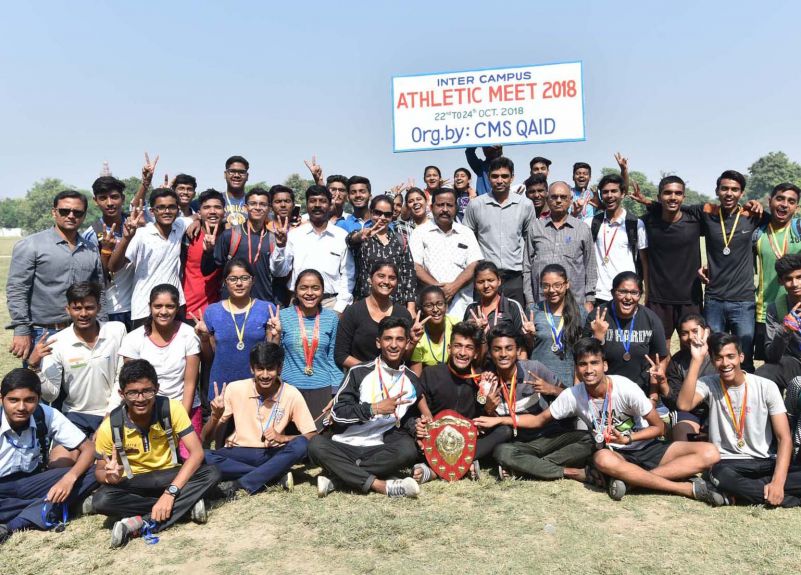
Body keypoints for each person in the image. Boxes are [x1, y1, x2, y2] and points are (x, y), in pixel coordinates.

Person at [477, 338, 720, 499]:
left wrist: (629, 437)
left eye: (594, 363)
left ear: (605, 365)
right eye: (583, 365)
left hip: (644, 445)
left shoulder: (626, 388)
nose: (589, 369)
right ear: (577, 369)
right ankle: (683, 489)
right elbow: (539, 420)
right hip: (615, 455)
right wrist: (501, 420)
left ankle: (635, 481)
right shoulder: (574, 394)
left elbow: (658, 428)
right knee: (602, 458)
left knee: (711, 453)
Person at [633, 170, 767, 372]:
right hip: (713, 299)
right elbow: (674, 207)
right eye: (724, 189)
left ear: (742, 193)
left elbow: (778, 221)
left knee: (744, 357)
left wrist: (758, 204)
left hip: (743, 300)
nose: (729, 193)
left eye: (734, 189)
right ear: (717, 191)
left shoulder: (753, 215)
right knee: (713, 356)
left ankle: (746, 400)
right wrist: (648, 202)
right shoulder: (706, 213)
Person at [92, 360, 221, 547]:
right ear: (122, 394)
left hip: (169, 476)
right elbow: (99, 471)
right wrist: (110, 477)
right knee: (101, 500)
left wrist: (171, 492)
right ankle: (186, 507)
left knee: (212, 472)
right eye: (132, 392)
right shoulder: (110, 425)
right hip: (133, 480)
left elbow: (197, 453)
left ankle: (141, 522)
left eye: (147, 391)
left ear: (157, 389)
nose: (141, 398)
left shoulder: (171, 409)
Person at [679, 332, 801, 507]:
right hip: (728, 462)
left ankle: (743, 495)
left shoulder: (766, 386)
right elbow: (684, 405)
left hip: (766, 460)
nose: (725, 363)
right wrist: (696, 360)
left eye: (730, 356)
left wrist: (778, 483)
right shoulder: (708, 383)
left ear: (741, 357)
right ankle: (789, 499)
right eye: (719, 358)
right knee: (723, 477)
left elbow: (784, 438)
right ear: (713, 361)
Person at [308, 317, 422, 498]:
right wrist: (373, 409)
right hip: (344, 445)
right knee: (316, 445)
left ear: (407, 343)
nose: (393, 345)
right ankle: (381, 485)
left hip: (378, 447)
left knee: (408, 450)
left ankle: (338, 478)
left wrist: (416, 425)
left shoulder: (412, 380)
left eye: (399, 339)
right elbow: (338, 412)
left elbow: (406, 417)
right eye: (388, 339)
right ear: (378, 342)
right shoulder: (359, 372)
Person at [203, 342, 317, 495]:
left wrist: (282, 438)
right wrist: (215, 416)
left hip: (273, 453)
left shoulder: (291, 393)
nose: (264, 375)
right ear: (252, 368)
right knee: (202, 456)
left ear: (279, 369)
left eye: (270, 369)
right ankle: (272, 475)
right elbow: (204, 438)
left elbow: (311, 435)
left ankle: (242, 483)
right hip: (239, 452)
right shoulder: (235, 388)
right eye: (259, 369)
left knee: (301, 444)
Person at [7, 190, 106, 363]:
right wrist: (21, 330)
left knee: (78, 388)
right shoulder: (31, 245)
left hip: (81, 332)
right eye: (64, 211)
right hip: (43, 333)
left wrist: (102, 327)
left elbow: (99, 291)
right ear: (54, 212)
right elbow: (17, 289)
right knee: (42, 387)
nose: (71, 216)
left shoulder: (91, 249)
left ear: (84, 215)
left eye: (77, 212)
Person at [0, 369, 97, 543]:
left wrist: (69, 478)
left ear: (38, 399)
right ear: (1, 399)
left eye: (29, 400)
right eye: (13, 400)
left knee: (94, 472)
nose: (21, 407)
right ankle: (46, 508)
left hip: (31, 481)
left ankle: (13, 522)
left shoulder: (45, 414)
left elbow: (88, 448)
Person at [30, 282, 127, 456]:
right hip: (74, 416)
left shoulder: (116, 331)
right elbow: (51, 394)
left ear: (98, 307)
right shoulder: (57, 342)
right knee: (59, 465)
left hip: (111, 413)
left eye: (89, 307)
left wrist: (109, 417)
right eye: (77, 308)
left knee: (105, 465)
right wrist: (35, 367)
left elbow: (121, 378)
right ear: (68, 310)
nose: (83, 314)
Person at [412, 322, 510, 482]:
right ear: (450, 348)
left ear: (476, 353)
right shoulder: (431, 373)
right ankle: (466, 464)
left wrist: (489, 410)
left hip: (466, 440)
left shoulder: (481, 379)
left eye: (469, 347)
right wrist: (420, 424)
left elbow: (481, 425)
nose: (462, 353)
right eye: (458, 346)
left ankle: (435, 470)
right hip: (436, 440)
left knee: (504, 430)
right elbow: (419, 414)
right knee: (411, 441)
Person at [472, 324, 570, 478]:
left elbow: (571, 396)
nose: (503, 354)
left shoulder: (535, 369)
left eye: (509, 348)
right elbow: (483, 425)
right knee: (501, 451)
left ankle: (523, 466)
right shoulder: (487, 380)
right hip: (516, 444)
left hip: (546, 437)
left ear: (518, 351)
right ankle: (535, 465)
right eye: (497, 349)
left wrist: (553, 390)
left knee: (586, 441)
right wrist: (488, 409)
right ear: (490, 352)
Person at [118, 284, 201, 457]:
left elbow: (190, 383)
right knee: (154, 460)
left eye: (170, 306)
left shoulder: (189, 335)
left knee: (190, 459)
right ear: (149, 307)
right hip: (147, 408)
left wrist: (181, 420)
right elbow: (133, 385)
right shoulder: (133, 339)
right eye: (158, 306)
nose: (164, 311)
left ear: (177, 308)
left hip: (184, 406)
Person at [266, 269, 340, 426]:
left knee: (318, 438)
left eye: (315, 288)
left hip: (322, 389)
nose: (309, 293)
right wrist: (275, 335)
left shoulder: (331, 318)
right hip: (289, 388)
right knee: (288, 440)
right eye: (304, 287)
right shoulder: (283, 316)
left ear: (322, 290)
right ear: (295, 290)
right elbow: (270, 356)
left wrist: (335, 393)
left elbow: (333, 358)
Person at [196, 259, 275, 401]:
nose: (239, 283)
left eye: (245, 278)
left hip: (256, 388)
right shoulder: (213, 311)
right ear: (225, 282)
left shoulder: (266, 309)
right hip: (222, 389)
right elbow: (209, 358)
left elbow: (272, 354)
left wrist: (276, 335)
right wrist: (204, 339)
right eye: (233, 279)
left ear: (253, 280)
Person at [639, 176, 704, 349]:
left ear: (684, 197)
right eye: (667, 193)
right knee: (659, 351)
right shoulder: (647, 222)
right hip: (658, 300)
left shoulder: (696, 221)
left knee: (692, 349)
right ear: (659, 196)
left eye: (678, 193)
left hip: (690, 299)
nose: (673, 197)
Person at [108, 188, 186, 328]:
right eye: (161, 207)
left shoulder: (179, 226)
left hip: (175, 305)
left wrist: (197, 220)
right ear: (152, 211)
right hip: (144, 308)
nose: (166, 211)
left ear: (178, 209)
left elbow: (195, 217)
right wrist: (126, 239)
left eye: (171, 207)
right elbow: (113, 267)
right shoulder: (141, 234)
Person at [463, 156, 534, 307]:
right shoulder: (475, 205)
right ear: (488, 178)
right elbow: (467, 240)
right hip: (485, 279)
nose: (500, 180)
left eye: (504, 176)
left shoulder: (526, 205)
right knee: (483, 324)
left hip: (515, 278)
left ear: (512, 178)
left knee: (515, 325)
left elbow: (530, 241)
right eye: (495, 176)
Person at [271, 185, 355, 313]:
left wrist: (340, 307)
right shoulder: (294, 235)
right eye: (312, 201)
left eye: (322, 201)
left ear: (330, 204)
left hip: (330, 304)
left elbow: (348, 275)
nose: (317, 205)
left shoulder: (341, 236)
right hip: (298, 303)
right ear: (306, 204)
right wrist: (281, 246)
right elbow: (279, 272)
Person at [585, 272, 668, 396]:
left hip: (640, 392)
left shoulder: (651, 319)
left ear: (640, 295)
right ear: (613, 293)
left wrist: (653, 397)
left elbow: (659, 361)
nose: (628, 297)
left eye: (634, 293)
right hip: (604, 392)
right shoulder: (597, 316)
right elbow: (584, 360)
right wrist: (597, 338)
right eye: (622, 291)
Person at [523, 181, 597, 310]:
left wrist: (589, 299)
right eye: (554, 197)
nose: (558, 201)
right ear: (547, 199)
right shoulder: (535, 227)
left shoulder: (582, 229)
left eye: (563, 197)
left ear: (570, 200)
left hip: (574, 303)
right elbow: (527, 266)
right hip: (541, 303)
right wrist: (529, 300)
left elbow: (590, 265)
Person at [411, 188, 483, 318]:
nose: (445, 209)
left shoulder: (466, 233)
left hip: (462, 307)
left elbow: (474, 264)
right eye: (440, 205)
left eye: (449, 205)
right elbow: (415, 266)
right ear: (432, 207)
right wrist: (439, 291)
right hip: (430, 308)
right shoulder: (419, 233)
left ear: (456, 208)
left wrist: (453, 287)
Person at [753, 183, 801, 360]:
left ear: (796, 207)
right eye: (780, 198)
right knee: (771, 364)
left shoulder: (798, 228)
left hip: (796, 309)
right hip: (766, 312)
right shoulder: (758, 233)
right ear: (769, 201)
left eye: (791, 201)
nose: (784, 204)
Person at [334, 262, 413, 369]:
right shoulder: (353, 312)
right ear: (370, 279)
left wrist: (414, 341)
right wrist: (373, 370)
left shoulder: (403, 314)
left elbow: (406, 359)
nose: (386, 281)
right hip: (361, 377)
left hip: (394, 378)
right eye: (381, 276)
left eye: (392, 278)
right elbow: (341, 355)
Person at [651, 313, 716, 441]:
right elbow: (676, 403)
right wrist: (663, 384)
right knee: (683, 435)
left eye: (695, 331)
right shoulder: (677, 361)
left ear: (706, 331)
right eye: (684, 333)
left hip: (717, 410)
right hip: (689, 413)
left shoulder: (719, 355)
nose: (690, 337)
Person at [586, 173, 648, 306]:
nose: (610, 196)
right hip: (598, 293)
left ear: (622, 194)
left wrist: (646, 292)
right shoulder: (591, 223)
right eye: (605, 192)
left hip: (626, 294)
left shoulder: (636, 224)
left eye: (614, 191)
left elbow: (644, 262)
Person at [346, 194, 416, 308]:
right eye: (378, 213)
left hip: (396, 305)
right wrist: (360, 236)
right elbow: (349, 240)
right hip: (367, 304)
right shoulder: (362, 237)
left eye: (387, 214)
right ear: (371, 212)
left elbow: (409, 273)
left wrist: (411, 307)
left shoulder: (400, 239)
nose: (382, 218)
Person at [207, 187, 276, 303]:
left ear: (269, 209)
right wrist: (208, 252)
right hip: (231, 303)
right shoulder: (230, 235)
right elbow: (212, 268)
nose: (258, 208)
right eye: (253, 203)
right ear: (245, 208)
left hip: (262, 302)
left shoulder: (273, 239)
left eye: (263, 204)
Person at [527, 264, 587, 386]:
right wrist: (529, 337)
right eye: (546, 286)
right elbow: (526, 349)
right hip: (538, 381)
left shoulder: (579, 313)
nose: (552, 290)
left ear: (567, 284)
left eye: (557, 285)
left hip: (568, 383)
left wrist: (578, 382)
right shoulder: (533, 310)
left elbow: (582, 352)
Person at [758, 253, 801, 392]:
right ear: (780, 281)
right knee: (763, 375)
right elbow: (772, 356)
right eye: (789, 279)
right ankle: (778, 412)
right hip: (795, 363)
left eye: (799, 277)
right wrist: (785, 329)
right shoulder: (775, 308)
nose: (795, 284)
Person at [182, 189, 225, 321]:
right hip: (191, 311)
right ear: (199, 213)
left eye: (217, 207)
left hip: (221, 311)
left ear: (224, 212)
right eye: (206, 207)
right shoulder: (189, 236)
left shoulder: (229, 236)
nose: (212, 211)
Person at [464, 261, 527, 340]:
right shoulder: (471, 309)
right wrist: (472, 330)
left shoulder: (512, 306)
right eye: (481, 282)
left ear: (499, 281)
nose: (486, 286)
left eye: (490, 280)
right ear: (475, 285)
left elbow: (522, 343)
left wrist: (530, 335)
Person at [410, 286, 459, 375]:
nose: (435, 310)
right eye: (429, 306)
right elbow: (416, 377)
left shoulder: (456, 325)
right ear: (422, 310)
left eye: (440, 304)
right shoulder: (418, 333)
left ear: (446, 306)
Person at [222, 155, 250, 228]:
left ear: (247, 176)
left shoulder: (254, 202)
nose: (237, 175)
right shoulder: (215, 200)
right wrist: (195, 219)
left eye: (241, 172)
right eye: (232, 171)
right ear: (225, 174)